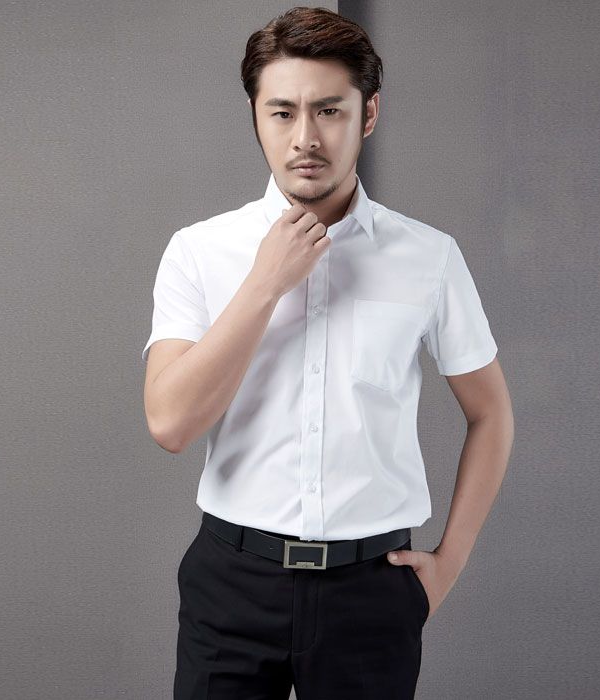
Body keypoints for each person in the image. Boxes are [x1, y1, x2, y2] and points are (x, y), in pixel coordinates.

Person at [142, 6, 514, 699]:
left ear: (368, 115)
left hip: (370, 594)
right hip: (231, 586)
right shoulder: (198, 251)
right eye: (282, 112)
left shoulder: (428, 257)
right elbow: (169, 422)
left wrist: (450, 561)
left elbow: (492, 414)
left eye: (329, 111)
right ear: (256, 117)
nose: (305, 138)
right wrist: (265, 283)